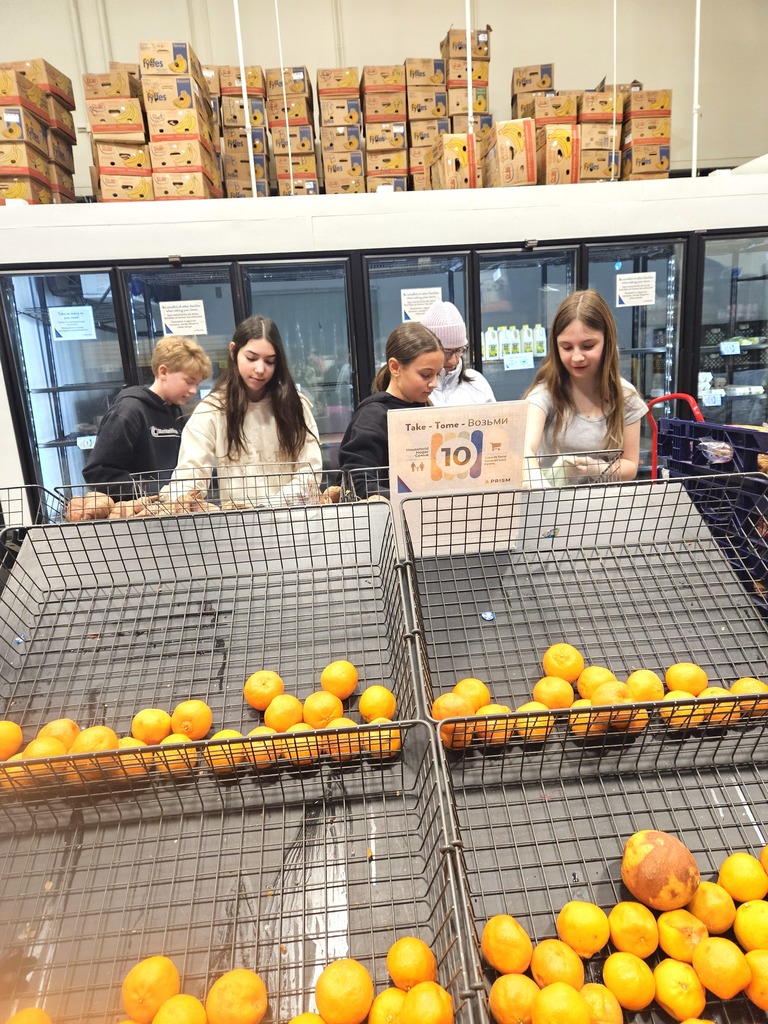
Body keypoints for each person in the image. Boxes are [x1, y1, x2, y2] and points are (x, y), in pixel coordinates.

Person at [163, 315, 322, 507]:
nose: (260, 369)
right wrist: (175, 501)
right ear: (233, 351)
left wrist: (267, 507)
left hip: (291, 519)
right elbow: (191, 473)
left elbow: (309, 474)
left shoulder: (295, 406)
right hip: (237, 522)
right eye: (251, 358)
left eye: (270, 361)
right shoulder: (212, 410)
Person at [523, 289, 648, 485]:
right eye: (566, 347)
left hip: (605, 500)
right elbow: (525, 447)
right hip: (552, 501)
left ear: (608, 342)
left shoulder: (626, 397)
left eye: (588, 346)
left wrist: (596, 468)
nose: (577, 357)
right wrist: (539, 485)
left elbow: (630, 465)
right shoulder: (545, 394)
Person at [83, 334, 212, 498]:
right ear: (163, 372)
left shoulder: (175, 412)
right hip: (136, 511)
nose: (193, 390)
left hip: (171, 507)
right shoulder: (129, 411)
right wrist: (158, 491)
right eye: (189, 381)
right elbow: (98, 473)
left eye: (197, 384)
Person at [338, 322, 444, 497]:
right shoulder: (371, 418)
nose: (434, 383)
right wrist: (411, 498)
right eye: (426, 375)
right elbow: (357, 484)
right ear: (395, 367)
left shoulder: (426, 408)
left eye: (438, 374)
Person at [420, 299, 496, 406]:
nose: (453, 360)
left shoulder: (477, 383)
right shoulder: (416, 388)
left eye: (459, 350)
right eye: (446, 351)